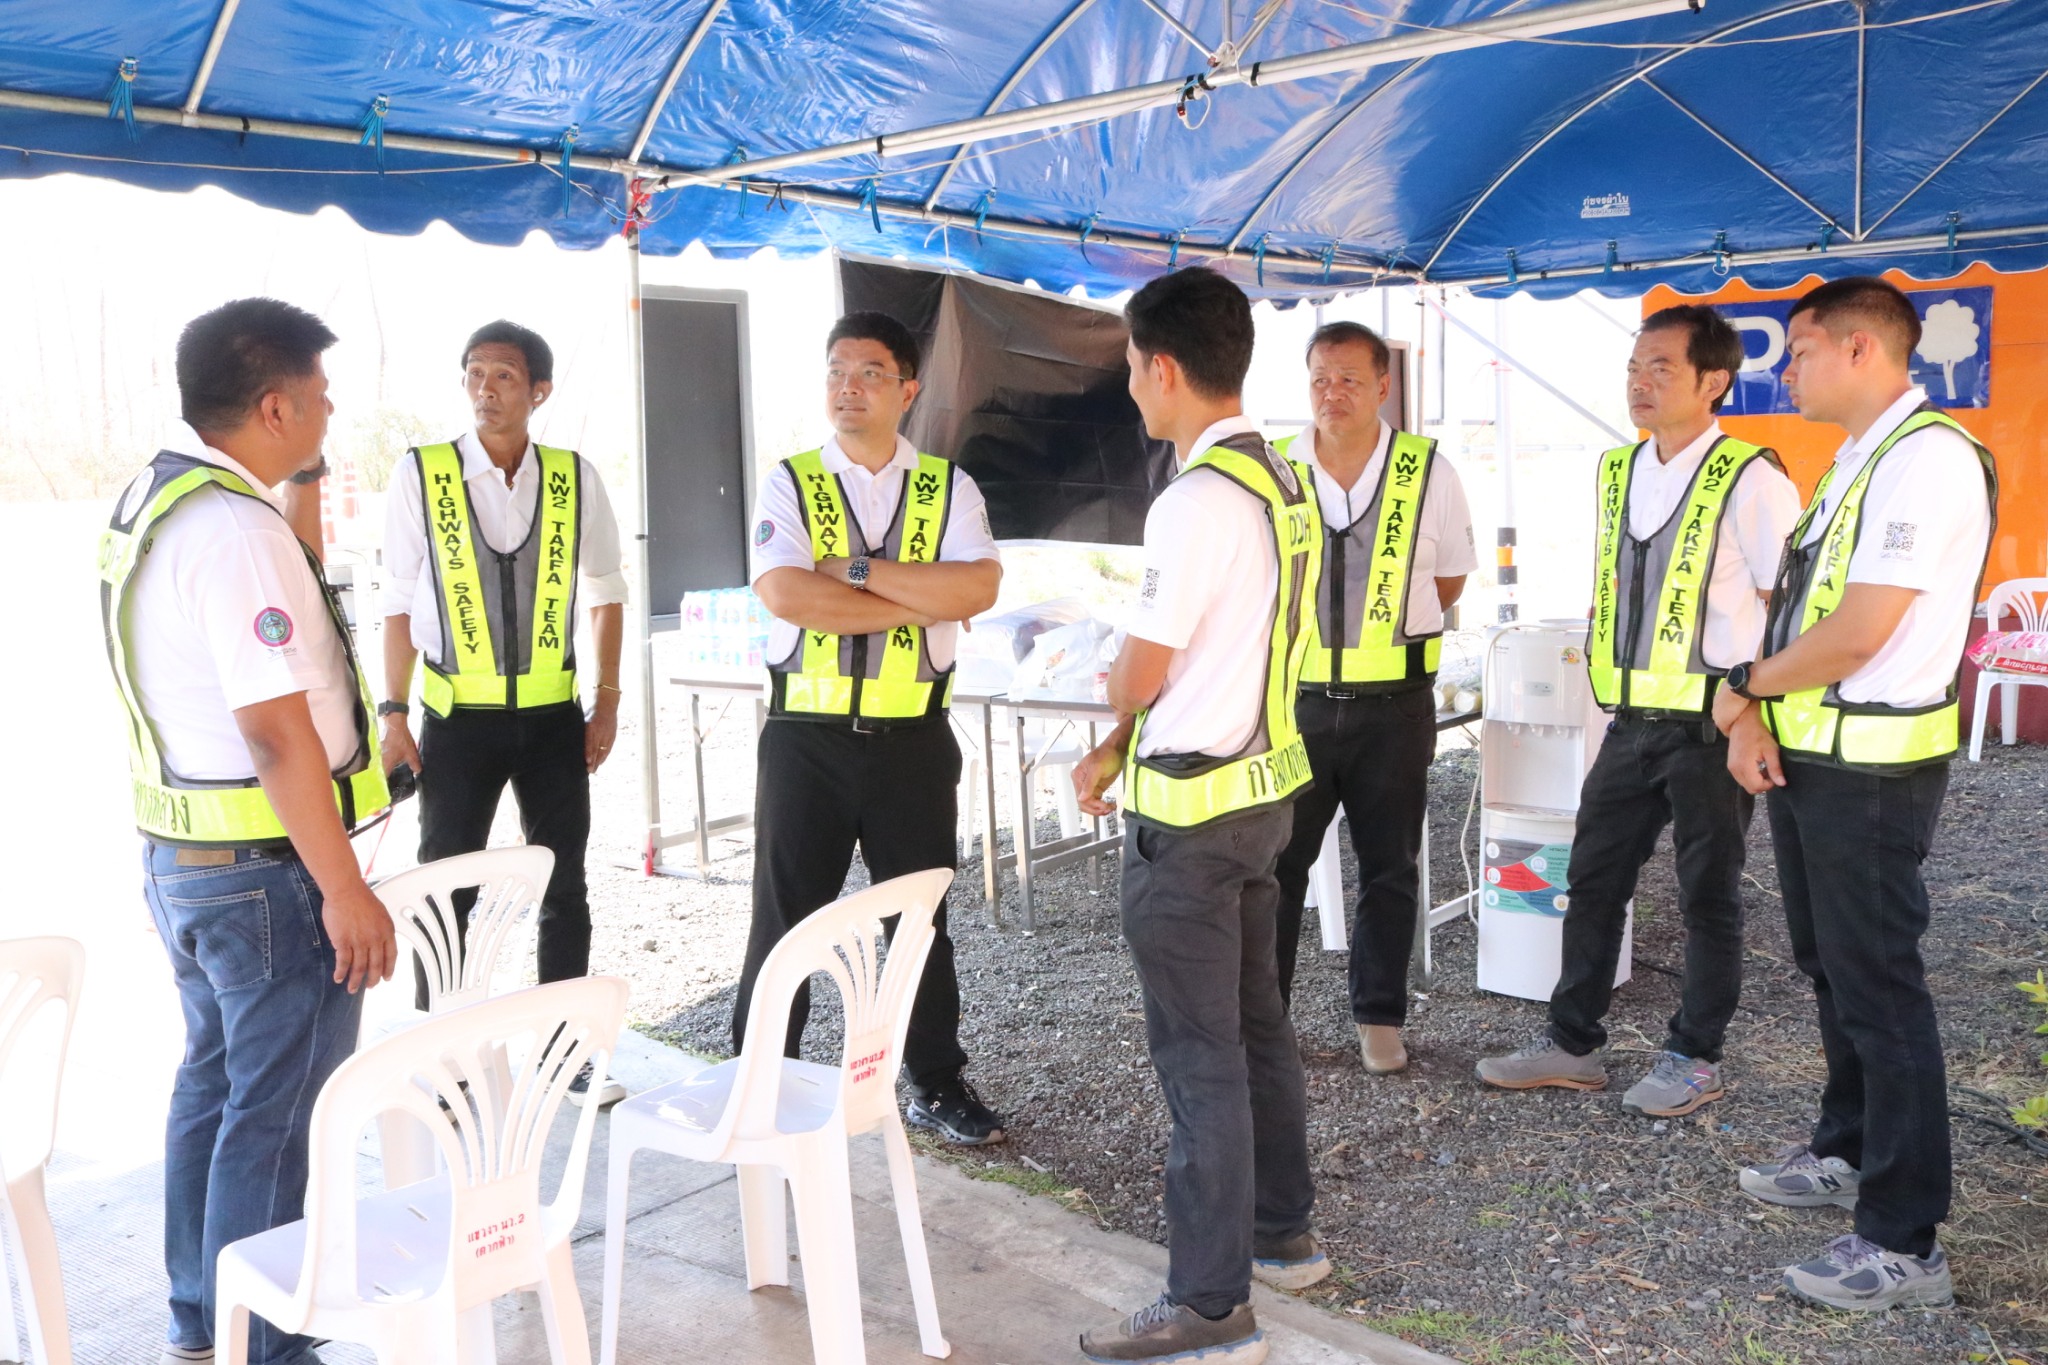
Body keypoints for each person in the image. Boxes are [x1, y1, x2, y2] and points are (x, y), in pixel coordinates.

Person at [102, 297, 396, 1365]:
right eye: (319, 395)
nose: (330, 412)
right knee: (274, 1114)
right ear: (275, 406)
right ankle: (265, 1346)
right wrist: (344, 887)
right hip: (268, 876)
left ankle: (203, 1319)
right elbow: (276, 735)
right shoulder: (235, 531)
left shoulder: (156, 498)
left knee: (216, 1089)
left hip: (189, 861)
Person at [1713, 277, 1995, 1311]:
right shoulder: (1855, 461)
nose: (1784, 369)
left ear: (1860, 349)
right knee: (1830, 968)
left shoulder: (1926, 460)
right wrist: (1754, 716)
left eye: (1798, 350)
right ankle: (1846, 1149)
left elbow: (1860, 630)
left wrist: (1741, 687)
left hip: (1872, 771)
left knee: (1878, 988)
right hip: (1814, 753)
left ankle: (1903, 1240)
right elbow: (1798, 608)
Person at [1071, 267, 1324, 1365]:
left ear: (1163, 368)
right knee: (1255, 1026)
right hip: (1260, 797)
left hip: (1187, 821)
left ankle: (1211, 1306)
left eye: (1133, 368)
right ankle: (1281, 1234)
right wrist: (1121, 734)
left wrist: (1111, 694)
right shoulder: (1283, 480)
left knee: (1198, 1056)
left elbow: (1143, 669)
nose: (1132, 388)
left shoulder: (1191, 501)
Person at [1476, 305, 1800, 1116]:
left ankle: (1695, 1054)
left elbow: (1787, 607)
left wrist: (1753, 709)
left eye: (1661, 367)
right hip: (1628, 722)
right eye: (1633, 367)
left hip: (1711, 724)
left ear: (1713, 381)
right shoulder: (1618, 469)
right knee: (1591, 879)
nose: (1639, 383)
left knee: (1707, 894)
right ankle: (1572, 1044)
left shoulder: (1753, 477)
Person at [735, 310, 1008, 1146]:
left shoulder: (949, 487)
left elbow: (977, 589)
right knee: (784, 917)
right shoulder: (790, 481)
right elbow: (786, 594)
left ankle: (935, 1080)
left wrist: (852, 572)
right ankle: (756, 1075)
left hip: (912, 744)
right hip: (806, 740)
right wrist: (916, 596)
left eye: (868, 373)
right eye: (836, 371)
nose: (847, 388)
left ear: (908, 388)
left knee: (919, 920)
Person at [379, 320, 629, 1104]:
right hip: (457, 722)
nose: (486, 390)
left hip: (555, 719)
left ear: (540, 391)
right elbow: (396, 601)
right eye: (475, 373)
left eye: (505, 376)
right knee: (446, 887)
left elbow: (608, 590)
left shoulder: (574, 477)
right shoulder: (423, 474)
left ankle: (566, 1053)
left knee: (564, 882)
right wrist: (392, 715)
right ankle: (443, 1053)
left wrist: (607, 701)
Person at [1269, 321, 1476, 1075]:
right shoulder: (1275, 467)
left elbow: (1448, 581)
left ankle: (1379, 1016)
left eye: (1350, 378)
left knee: (1389, 865)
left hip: (1394, 705)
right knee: (1277, 865)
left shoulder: (1428, 470)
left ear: (1383, 386)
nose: (1333, 393)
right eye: (1320, 378)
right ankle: (1267, 1020)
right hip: (1295, 703)